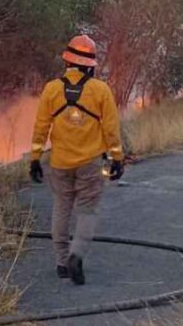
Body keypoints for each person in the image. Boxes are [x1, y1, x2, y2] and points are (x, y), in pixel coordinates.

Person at [29, 35, 125, 284]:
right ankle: (76, 254)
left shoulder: (51, 89)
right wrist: (117, 158)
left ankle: (61, 263)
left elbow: (40, 127)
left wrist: (35, 158)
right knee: (87, 211)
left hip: (60, 163)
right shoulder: (100, 90)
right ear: (90, 64)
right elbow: (111, 129)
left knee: (61, 207)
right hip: (90, 163)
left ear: (68, 61)